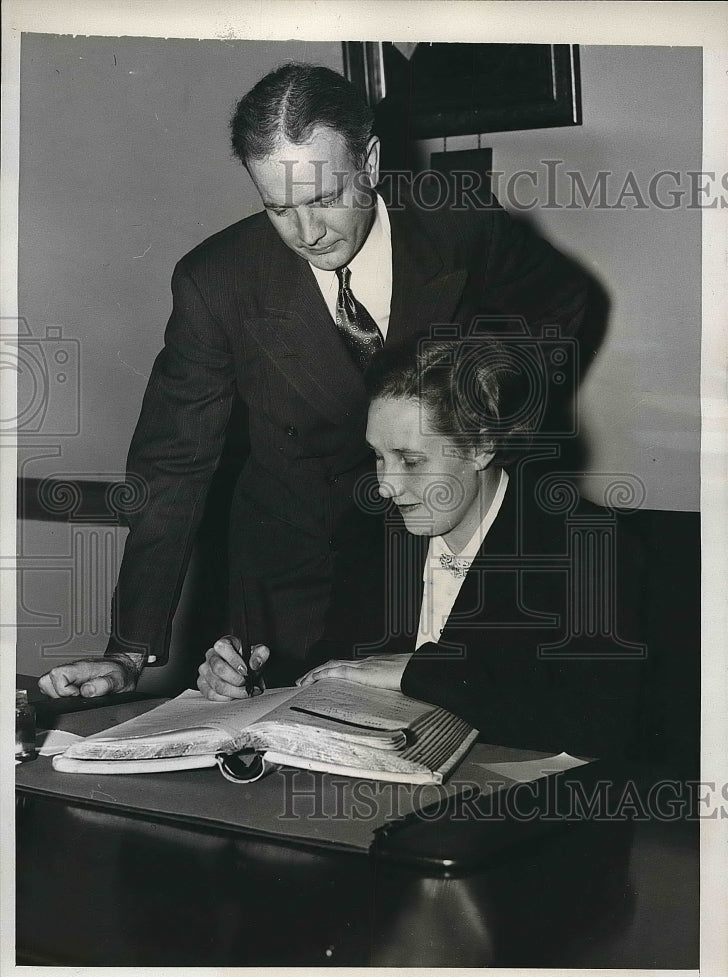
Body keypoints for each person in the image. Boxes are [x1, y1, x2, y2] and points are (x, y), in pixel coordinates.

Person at [39, 62, 589, 701]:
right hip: (295, 577)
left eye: (326, 198)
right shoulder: (217, 281)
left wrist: (480, 407)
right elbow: (172, 466)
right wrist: (129, 651)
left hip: (437, 554)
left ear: (372, 161)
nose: (308, 234)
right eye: (279, 208)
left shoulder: (461, 227)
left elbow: (562, 303)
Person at [203, 337, 646, 759]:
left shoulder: (588, 546)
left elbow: (599, 727)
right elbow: (336, 666)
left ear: (481, 446)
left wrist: (418, 673)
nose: (385, 486)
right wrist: (256, 687)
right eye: (378, 455)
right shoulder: (374, 533)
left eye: (410, 460)